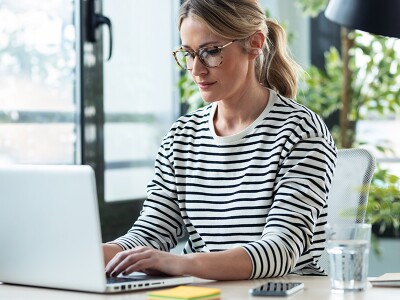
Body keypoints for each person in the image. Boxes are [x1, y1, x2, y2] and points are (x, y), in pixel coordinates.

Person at [104, 0, 337, 280]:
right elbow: (150, 233)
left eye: (211, 52)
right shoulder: (182, 137)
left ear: (254, 44)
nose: (196, 69)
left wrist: (181, 263)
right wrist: (84, 254)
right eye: (189, 54)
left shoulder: (301, 131)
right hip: (210, 293)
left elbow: (281, 250)